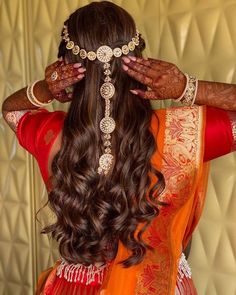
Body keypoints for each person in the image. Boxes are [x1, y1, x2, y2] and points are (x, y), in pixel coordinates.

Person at [1, 1, 236, 294]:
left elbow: (10, 109)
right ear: (138, 60)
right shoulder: (180, 132)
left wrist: (45, 90)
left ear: (66, 65)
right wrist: (186, 87)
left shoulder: (51, 134)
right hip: (158, 286)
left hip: (75, 287)